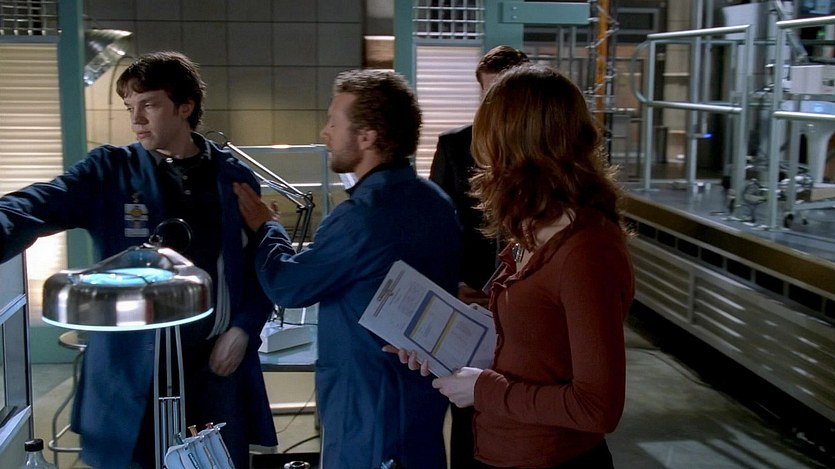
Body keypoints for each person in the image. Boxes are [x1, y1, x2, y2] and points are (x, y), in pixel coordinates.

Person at [0, 51, 277, 468]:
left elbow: (261, 262)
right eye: (130, 107)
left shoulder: (232, 177)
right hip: (130, 372)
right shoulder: (110, 171)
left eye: (149, 104)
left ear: (185, 107)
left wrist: (244, 328)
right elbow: (35, 205)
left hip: (211, 365)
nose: (137, 118)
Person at [389, 64, 635, 468]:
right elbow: (538, 335)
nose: (484, 162)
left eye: (490, 145)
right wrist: (444, 337)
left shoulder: (585, 251)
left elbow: (598, 407)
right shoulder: (535, 227)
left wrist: (483, 390)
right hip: (499, 448)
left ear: (520, 150)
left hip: (552, 460)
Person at [234, 69, 461, 469]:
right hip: (419, 400)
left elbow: (288, 286)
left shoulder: (362, 217)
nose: (325, 133)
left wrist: (266, 228)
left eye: (333, 122)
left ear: (367, 136)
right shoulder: (435, 202)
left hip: (368, 406)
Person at [428, 44, 529, 469]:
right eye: (489, 96)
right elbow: (435, 227)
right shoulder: (455, 146)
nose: (496, 108)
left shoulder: (541, 152)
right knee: (467, 413)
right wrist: (452, 286)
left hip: (525, 305)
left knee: (519, 403)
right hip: (469, 298)